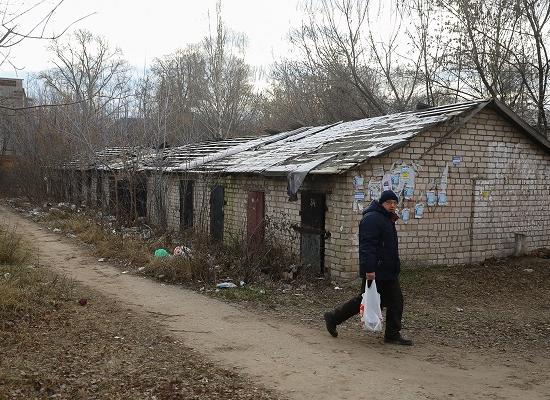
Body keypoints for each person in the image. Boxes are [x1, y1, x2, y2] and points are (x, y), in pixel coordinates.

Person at [323, 190, 413, 346]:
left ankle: (391, 333)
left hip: (387, 270)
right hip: (377, 270)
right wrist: (369, 270)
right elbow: (367, 247)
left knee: (390, 300)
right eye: (389, 203)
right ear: (381, 203)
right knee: (371, 299)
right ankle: (334, 317)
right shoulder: (372, 219)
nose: (392, 206)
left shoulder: (386, 218)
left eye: (394, 203)